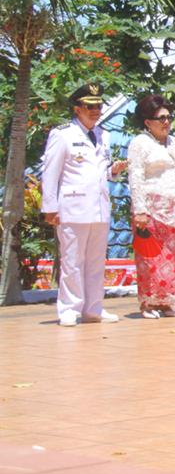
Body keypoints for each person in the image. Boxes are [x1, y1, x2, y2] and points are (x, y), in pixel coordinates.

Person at [42, 82, 127, 327]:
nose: (95, 111)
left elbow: (99, 171)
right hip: (73, 207)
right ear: (77, 108)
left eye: (98, 106)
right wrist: (50, 207)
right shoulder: (63, 135)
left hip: (99, 208)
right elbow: (50, 173)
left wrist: (113, 171)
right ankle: (69, 309)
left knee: (96, 262)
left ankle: (93, 308)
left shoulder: (103, 135)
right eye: (90, 107)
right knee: (72, 262)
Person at [126, 94, 175, 319]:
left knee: (170, 260)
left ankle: (166, 302)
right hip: (150, 210)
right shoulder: (139, 143)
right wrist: (140, 211)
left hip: (172, 210)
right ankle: (149, 303)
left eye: (169, 117)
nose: (166, 122)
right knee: (150, 259)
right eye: (161, 118)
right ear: (147, 122)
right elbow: (135, 177)